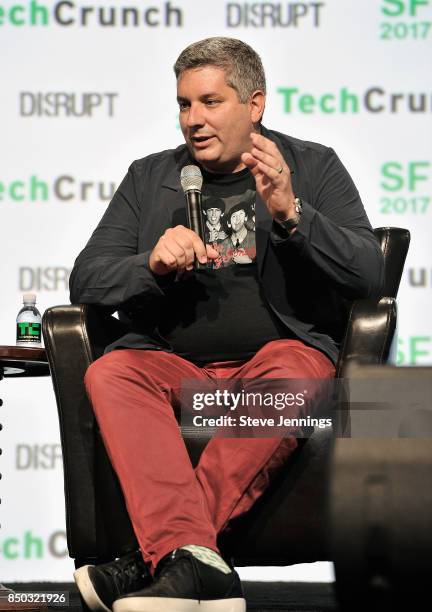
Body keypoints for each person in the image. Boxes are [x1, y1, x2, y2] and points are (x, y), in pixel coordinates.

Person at [69, 37, 384, 612]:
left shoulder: (312, 167)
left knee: (294, 376)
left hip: (276, 362)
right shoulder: (149, 178)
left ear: (254, 104)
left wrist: (293, 214)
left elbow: (369, 274)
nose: (194, 120)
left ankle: (163, 560)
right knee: (112, 373)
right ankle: (196, 564)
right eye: (185, 105)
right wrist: (150, 265)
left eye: (210, 102)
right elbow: (87, 280)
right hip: (176, 366)